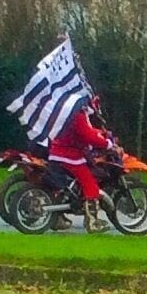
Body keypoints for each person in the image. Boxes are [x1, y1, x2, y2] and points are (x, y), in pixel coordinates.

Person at [48, 95, 115, 233]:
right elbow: (87, 135)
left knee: (70, 186)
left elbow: (87, 132)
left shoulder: (69, 113)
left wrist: (100, 134)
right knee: (90, 184)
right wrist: (107, 143)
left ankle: (57, 217)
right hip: (70, 156)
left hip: (58, 152)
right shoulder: (78, 115)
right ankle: (93, 222)